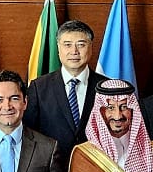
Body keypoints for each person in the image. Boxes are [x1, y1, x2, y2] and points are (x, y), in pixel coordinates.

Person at [26, 19, 107, 149]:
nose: (74, 51)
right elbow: (29, 132)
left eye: (81, 45)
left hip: (95, 164)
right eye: (67, 45)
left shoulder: (107, 86)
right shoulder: (39, 87)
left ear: (91, 47)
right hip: (51, 165)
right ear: (58, 48)